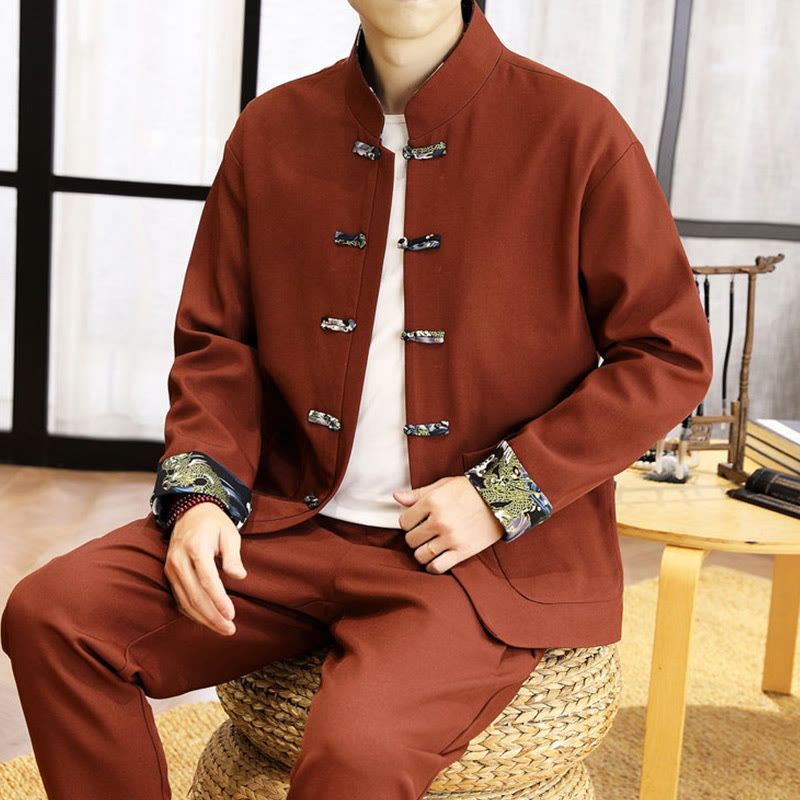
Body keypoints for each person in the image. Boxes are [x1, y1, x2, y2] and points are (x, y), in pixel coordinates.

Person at [1, 1, 713, 798]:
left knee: (358, 751)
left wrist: (500, 494)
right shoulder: (272, 130)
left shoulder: (577, 129)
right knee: (54, 616)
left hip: (469, 564)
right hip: (284, 526)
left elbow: (668, 353)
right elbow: (220, 345)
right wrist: (200, 500)